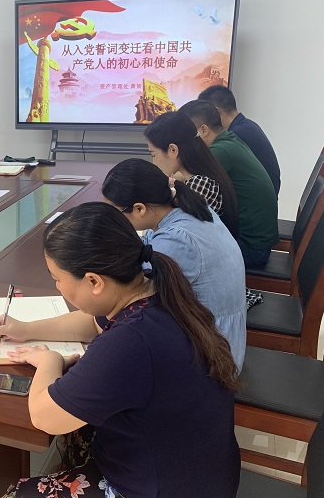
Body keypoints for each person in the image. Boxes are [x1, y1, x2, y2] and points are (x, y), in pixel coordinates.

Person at [0, 202, 240, 498]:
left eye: (58, 279)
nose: (58, 287)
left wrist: (49, 361)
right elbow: (91, 322)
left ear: (94, 281)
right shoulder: (156, 290)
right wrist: (27, 329)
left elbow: (45, 417)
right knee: (80, 433)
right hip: (198, 487)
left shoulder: (131, 342)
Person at [102, 158, 246, 370]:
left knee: (114, 346)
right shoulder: (188, 206)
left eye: (116, 214)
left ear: (139, 208)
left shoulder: (178, 240)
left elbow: (130, 293)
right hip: (218, 337)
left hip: (215, 359)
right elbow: (145, 248)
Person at [179, 100, 279, 268]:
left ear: (203, 130)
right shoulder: (229, 140)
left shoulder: (220, 151)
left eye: (185, 136)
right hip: (258, 242)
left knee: (183, 253)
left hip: (252, 249)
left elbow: (188, 178)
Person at [144, 111, 239, 238]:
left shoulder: (200, 184)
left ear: (173, 150)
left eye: (154, 155)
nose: (154, 163)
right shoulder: (201, 173)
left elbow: (177, 231)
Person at [198, 85, 281, 196]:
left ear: (216, 112)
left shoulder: (235, 135)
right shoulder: (247, 126)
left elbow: (204, 174)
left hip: (252, 201)